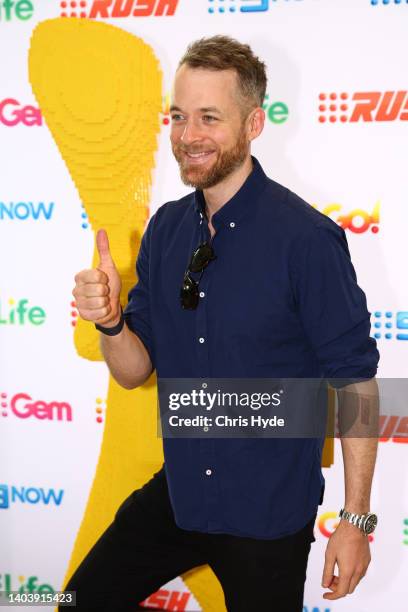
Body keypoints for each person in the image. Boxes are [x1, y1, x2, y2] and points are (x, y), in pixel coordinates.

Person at [69, 36, 380, 612]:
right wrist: (111, 323)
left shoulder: (306, 240)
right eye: (179, 116)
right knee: (74, 600)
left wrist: (355, 521)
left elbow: (355, 381)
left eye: (209, 117)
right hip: (181, 494)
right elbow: (134, 373)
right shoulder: (165, 231)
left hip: (268, 519)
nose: (188, 135)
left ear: (254, 122)